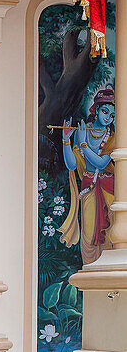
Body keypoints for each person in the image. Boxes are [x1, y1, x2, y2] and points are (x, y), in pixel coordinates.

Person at [59, 86, 115, 265]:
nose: (108, 117)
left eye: (112, 115)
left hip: (110, 189)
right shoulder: (83, 131)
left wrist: (83, 144)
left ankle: (109, 272)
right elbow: (72, 164)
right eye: (105, 111)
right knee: (89, 233)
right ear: (96, 110)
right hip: (89, 188)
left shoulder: (113, 137)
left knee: (111, 230)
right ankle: (90, 271)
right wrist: (67, 140)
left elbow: (101, 163)